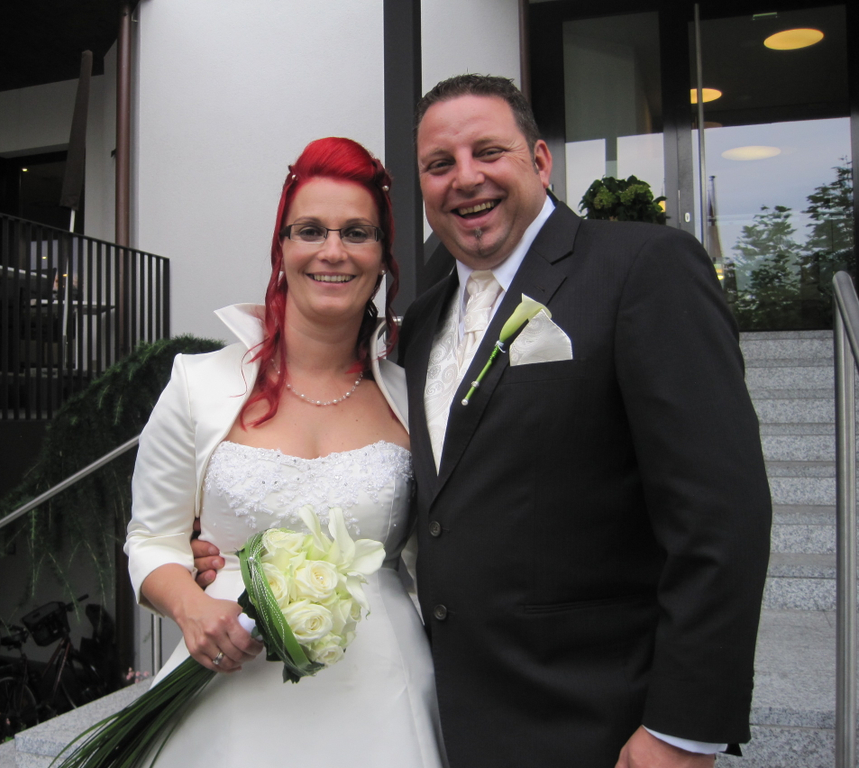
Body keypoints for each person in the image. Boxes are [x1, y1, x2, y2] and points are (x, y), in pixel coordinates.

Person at [190, 75, 772, 768]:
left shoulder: (643, 269)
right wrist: (239, 547)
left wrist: (681, 730)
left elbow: (721, 516)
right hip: (447, 715)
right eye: (439, 164)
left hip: (597, 721)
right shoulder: (419, 325)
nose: (465, 178)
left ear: (540, 160)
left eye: (488, 152)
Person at [126, 137, 445, 767]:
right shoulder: (199, 385)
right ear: (282, 248)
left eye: (357, 233)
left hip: (382, 701)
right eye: (311, 230)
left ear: (382, 256)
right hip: (229, 694)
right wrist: (191, 606)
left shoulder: (415, 401)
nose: (333, 251)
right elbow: (151, 538)